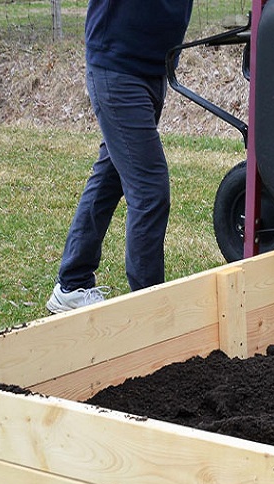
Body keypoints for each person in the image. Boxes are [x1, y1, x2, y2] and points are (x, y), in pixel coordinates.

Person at [47, 0, 194, 314]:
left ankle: (72, 284)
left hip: (153, 67)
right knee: (150, 190)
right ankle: (149, 312)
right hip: (118, 68)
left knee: (110, 177)